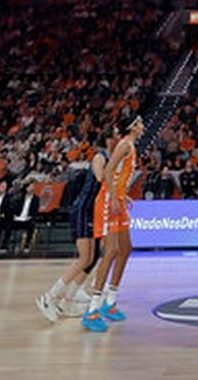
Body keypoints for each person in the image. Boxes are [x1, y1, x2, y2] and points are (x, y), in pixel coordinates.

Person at [81, 117, 144, 332]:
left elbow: (118, 176)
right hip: (108, 200)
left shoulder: (131, 146)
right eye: (139, 123)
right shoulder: (124, 145)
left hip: (117, 198)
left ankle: (110, 301)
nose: (142, 126)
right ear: (132, 127)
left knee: (126, 249)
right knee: (111, 251)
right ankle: (92, 310)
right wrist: (115, 197)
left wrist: (123, 195)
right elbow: (107, 172)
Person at [39, 136, 106, 320]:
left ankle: (67, 302)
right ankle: (49, 297)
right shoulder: (100, 157)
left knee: (92, 258)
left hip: (93, 212)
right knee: (84, 258)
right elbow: (101, 178)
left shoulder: (109, 158)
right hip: (83, 210)